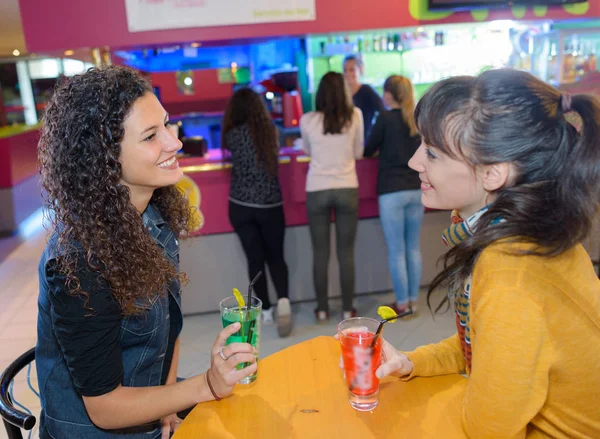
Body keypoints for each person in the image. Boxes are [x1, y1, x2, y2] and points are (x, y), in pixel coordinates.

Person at [374, 69, 600, 437]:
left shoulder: (510, 274)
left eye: (431, 152)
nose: (415, 162)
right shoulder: (534, 228)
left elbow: (488, 429)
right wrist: (411, 361)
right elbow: (483, 346)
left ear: (492, 174)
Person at [36, 66, 257, 439]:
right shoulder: (78, 262)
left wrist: (168, 406)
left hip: (148, 414)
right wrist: (207, 385)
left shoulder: (153, 216)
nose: (175, 143)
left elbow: (169, 327)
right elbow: (105, 408)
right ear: (104, 158)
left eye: (168, 126)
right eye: (152, 136)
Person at [222, 87, 293, 338]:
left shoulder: (230, 134)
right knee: (276, 257)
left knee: (255, 260)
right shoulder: (270, 131)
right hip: (270, 205)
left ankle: (264, 311)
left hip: (240, 205)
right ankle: (284, 300)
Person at [300, 72, 364, 322]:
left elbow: (306, 150)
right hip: (347, 186)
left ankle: (323, 309)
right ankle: (348, 309)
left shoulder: (308, 120)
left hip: (317, 188)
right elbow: (359, 152)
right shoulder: (355, 116)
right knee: (346, 252)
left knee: (320, 252)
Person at [364, 75, 423, 315]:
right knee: (413, 248)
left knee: (397, 250)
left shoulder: (385, 118)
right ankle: (413, 301)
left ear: (389, 94)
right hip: (416, 189)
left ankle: (401, 304)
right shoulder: (417, 120)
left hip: (391, 191)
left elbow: (367, 149)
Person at [343, 54, 384, 140]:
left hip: (364, 140)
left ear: (360, 69)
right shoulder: (341, 93)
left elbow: (383, 110)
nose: (348, 73)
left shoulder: (366, 90)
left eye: (352, 70)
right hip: (345, 140)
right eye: (345, 70)